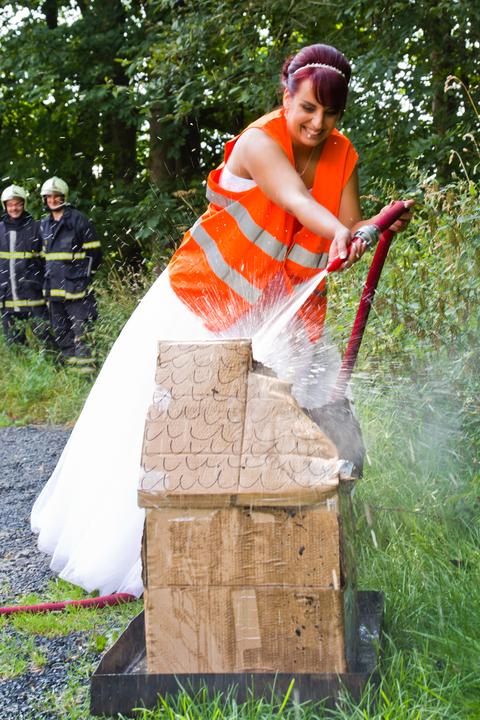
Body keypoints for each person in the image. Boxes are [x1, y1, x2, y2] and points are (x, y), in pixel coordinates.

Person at [31, 44, 413, 598]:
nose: (317, 123)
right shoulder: (260, 141)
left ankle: (255, 549)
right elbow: (293, 198)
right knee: (182, 427)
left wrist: (371, 229)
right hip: (205, 303)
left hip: (279, 317)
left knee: (267, 432)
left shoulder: (343, 153)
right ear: (286, 97)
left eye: (331, 114)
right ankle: (153, 555)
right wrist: (337, 231)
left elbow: (347, 226)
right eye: (307, 108)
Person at [39, 176, 102, 372]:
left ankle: (88, 372)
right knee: (61, 332)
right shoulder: (44, 224)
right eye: (49, 197)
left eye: (56, 196)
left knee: (82, 332)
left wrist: (84, 277)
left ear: (64, 197)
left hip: (77, 290)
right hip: (54, 291)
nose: (52, 200)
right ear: (44, 199)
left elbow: (95, 252)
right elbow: (43, 258)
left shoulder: (78, 220)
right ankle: (73, 372)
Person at [0, 184, 52, 346]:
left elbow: (48, 262)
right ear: (5, 206)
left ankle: (56, 362)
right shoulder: (0, 230)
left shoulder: (36, 228)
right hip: (7, 299)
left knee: (47, 341)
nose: (14, 208)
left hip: (34, 297)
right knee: (15, 346)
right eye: (10, 204)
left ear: (24, 204)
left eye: (17, 204)